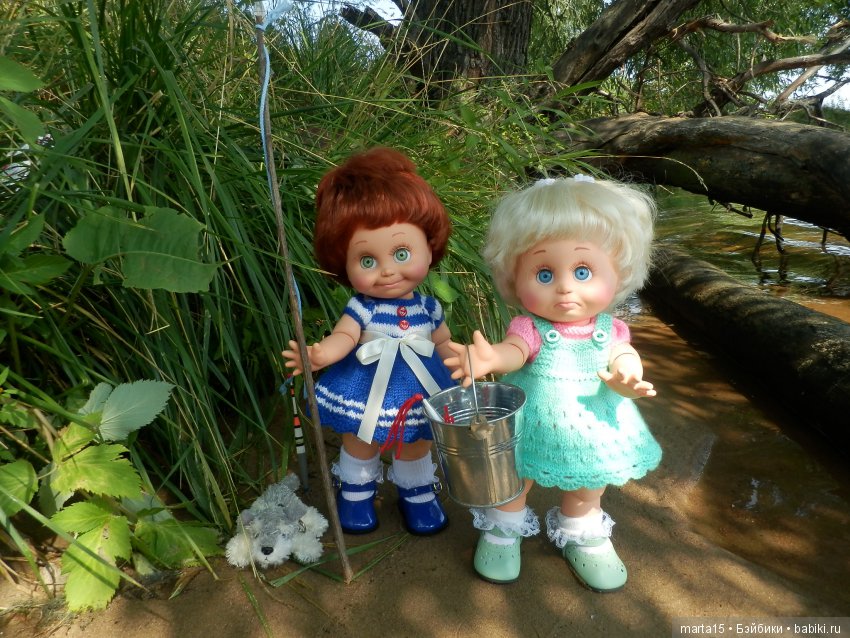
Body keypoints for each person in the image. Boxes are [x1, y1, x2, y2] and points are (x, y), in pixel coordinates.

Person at [446, 175, 662, 592]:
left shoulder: (609, 329)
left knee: (587, 482)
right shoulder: (531, 327)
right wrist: (491, 358)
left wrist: (628, 375)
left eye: (583, 271)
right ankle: (504, 527)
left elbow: (623, 353)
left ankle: (582, 530)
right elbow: (515, 350)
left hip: (593, 421)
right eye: (544, 273)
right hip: (531, 421)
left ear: (619, 272)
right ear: (515, 277)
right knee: (514, 476)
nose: (565, 286)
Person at [282, 147, 455, 536]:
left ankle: (417, 492)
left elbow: (444, 342)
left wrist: (463, 361)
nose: (387, 270)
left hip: (419, 388)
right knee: (361, 439)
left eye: (402, 252)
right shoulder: (362, 307)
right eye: (367, 261)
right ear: (344, 265)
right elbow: (345, 335)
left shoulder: (429, 308)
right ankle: (356, 491)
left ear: (430, 248)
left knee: (417, 441)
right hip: (365, 384)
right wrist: (321, 354)